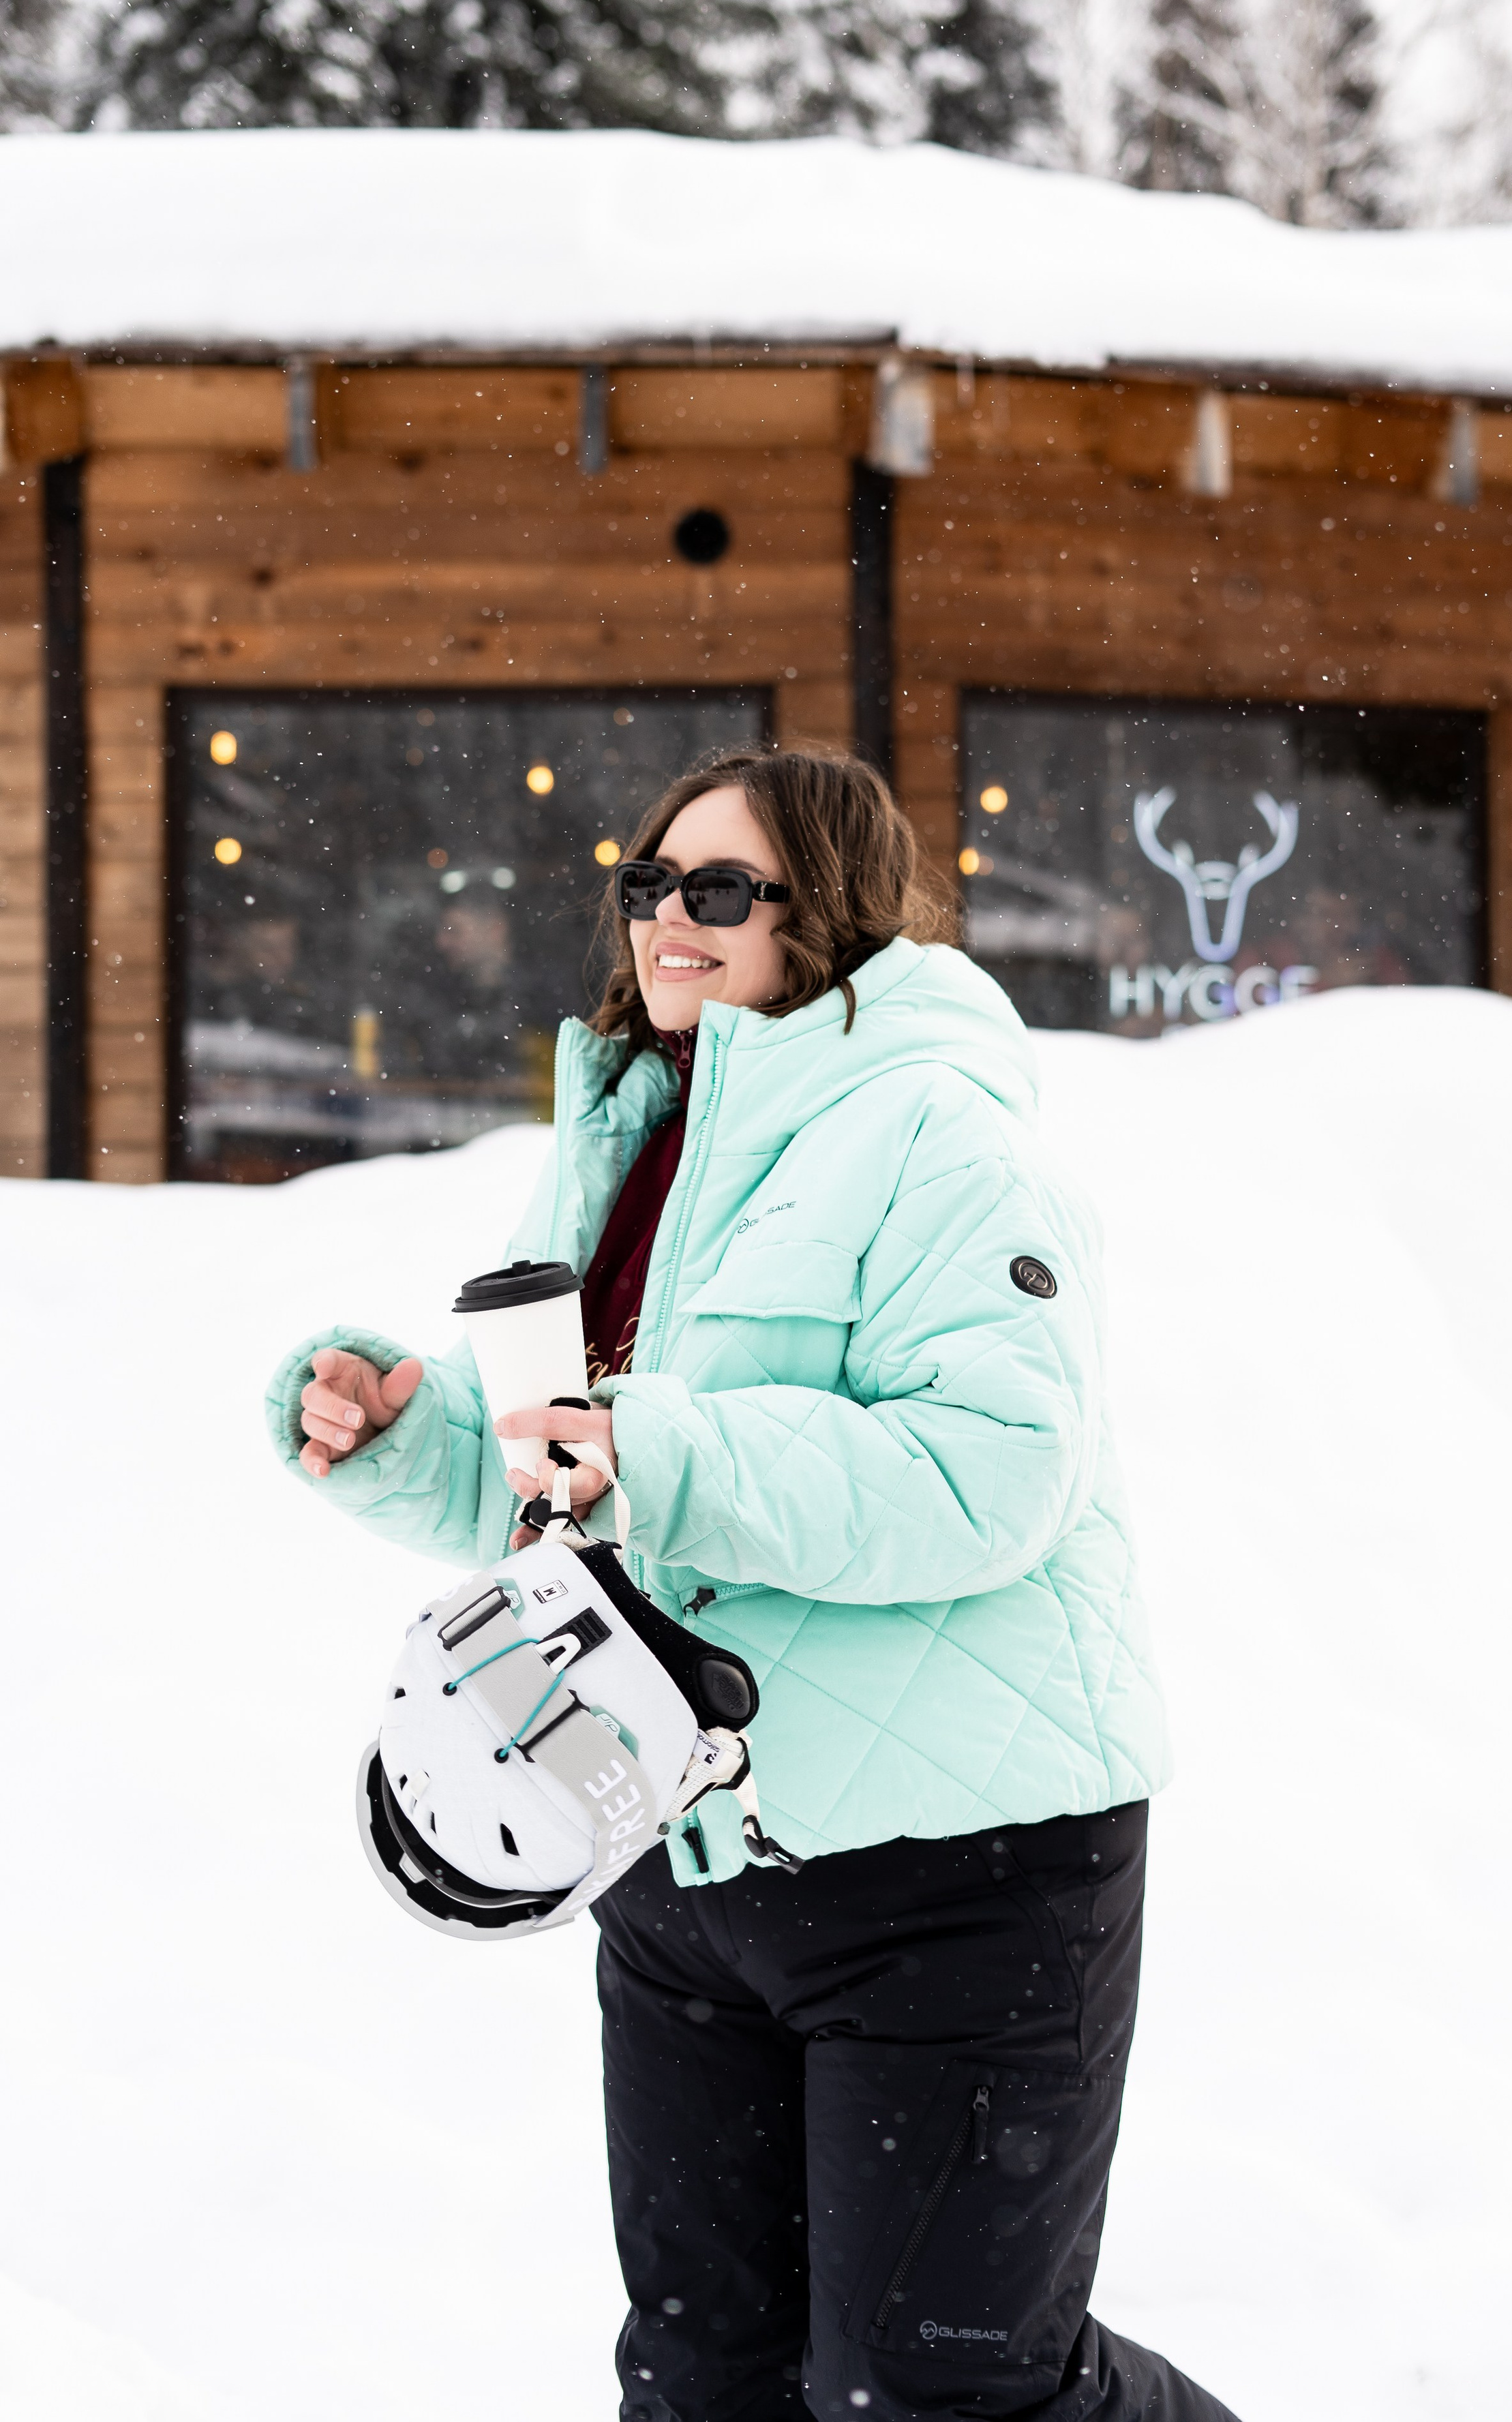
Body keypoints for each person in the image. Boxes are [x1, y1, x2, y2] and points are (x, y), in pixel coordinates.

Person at [265, 747, 1241, 2422]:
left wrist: (664, 1455)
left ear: (831, 914)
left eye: (721, 890)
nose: (669, 920)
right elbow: (578, 1468)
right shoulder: (636, 1141)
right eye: (647, 886)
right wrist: (414, 1439)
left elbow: (988, 1476)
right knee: (708, 2381)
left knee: (946, 2396)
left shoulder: (939, 1133)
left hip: (958, 1876)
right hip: (685, 1857)